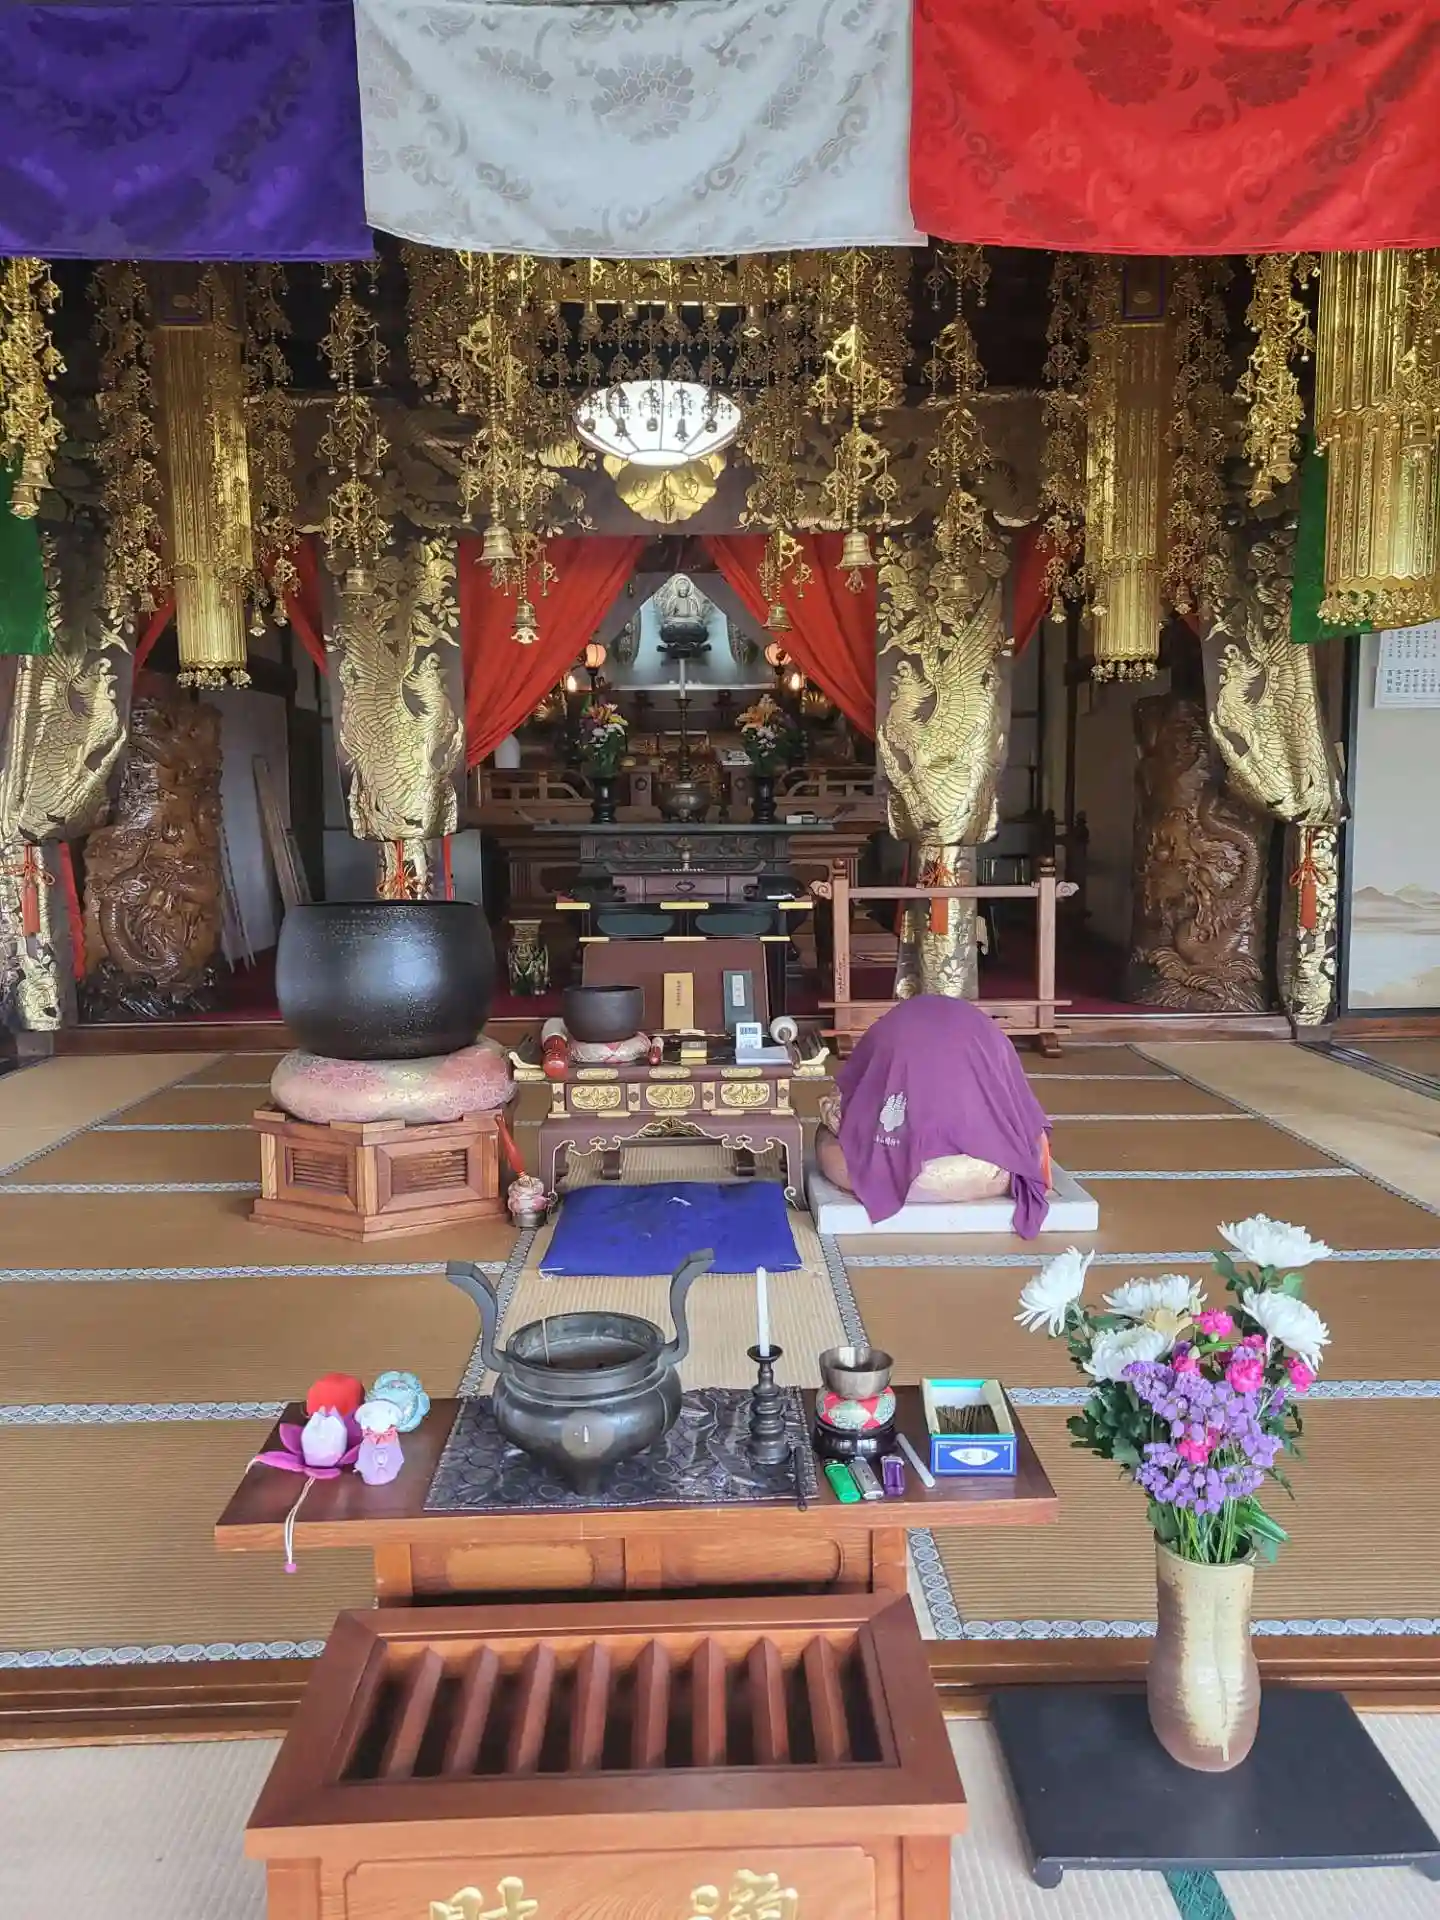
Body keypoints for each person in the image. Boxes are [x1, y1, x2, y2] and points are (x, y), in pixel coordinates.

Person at [818, 996, 1053, 1237]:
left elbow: (848, 1096)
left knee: (842, 1143)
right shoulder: (985, 1037)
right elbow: (1022, 1108)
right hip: (986, 1160)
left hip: (895, 1147)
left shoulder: (891, 1031)